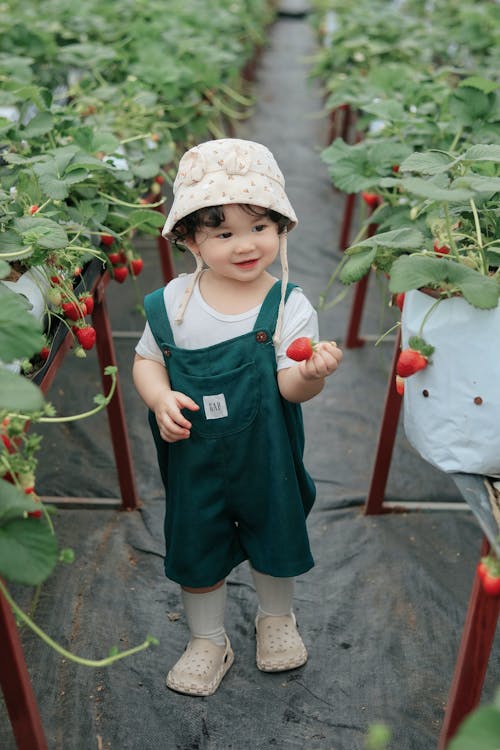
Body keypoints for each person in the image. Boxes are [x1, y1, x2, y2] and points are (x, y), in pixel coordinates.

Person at [133, 138, 343, 697]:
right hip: (193, 458)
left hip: (264, 457)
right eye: (223, 233)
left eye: (259, 228)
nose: (245, 246)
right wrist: (159, 398)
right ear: (190, 239)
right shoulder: (173, 304)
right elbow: (146, 362)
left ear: (280, 228)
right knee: (197, 545)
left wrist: (313, 372)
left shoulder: (288, 307)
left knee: (274, 533)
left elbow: (289, 387)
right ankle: (207, 639)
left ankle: (276, 619)